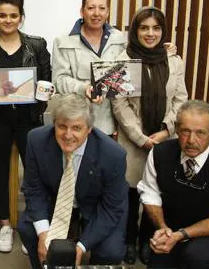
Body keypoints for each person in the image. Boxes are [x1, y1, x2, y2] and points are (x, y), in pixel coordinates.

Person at [0, 0, 51, 253]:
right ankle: (6, 224)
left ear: (21, 17)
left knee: (34, 172)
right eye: (2, 15)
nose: (8, 20)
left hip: (28, 119)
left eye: (13, 15)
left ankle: (32, 223)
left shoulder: (37, 45)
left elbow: (46, 81)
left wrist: (39, 92)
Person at [112, 6, 189, 264]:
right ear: (135, 30)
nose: (150, 33)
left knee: (155, 193)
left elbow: (180, 99)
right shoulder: (124, 59)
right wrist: (141, 137)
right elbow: (119, 103)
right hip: (134, 141)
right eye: (144, 27)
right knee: (132, 194)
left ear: (163, 31)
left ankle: (147, 239)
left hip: (165, 140)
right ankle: (129, 240)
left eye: (156, 28)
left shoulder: (174, 60)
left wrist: (166, 130)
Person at [18, 93, 128, 269]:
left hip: (96, 207)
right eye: (62, 126)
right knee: (27, 229)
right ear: (54, 124)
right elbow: (33, 188)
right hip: (55, 201)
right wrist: (44, 234)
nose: (68, 135)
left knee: (111, 251)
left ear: (89, 129)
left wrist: (81, 247)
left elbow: (112, 208)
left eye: (77, 128)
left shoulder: (113, 155)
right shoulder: (36, 140)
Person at [138, 100, 209, 269]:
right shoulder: (159, 153)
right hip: (168, 224)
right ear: (176, 128)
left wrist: (181, 235)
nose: (191, 140)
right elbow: (150, 193)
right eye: (185, 131)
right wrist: (163, 228)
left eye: (200, 133)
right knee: (158, 261)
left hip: (206, 227)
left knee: (196, 257)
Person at [52, 0, 126, 136]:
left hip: (109, 123)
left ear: (108, 12)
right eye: (91, 8)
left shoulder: (120, 39)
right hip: (75, 122)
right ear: (82, 11)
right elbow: (59, 81)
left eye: (102, 8)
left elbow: (126, 75)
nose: (96, 13)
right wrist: (84, 87)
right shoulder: (63, 41)